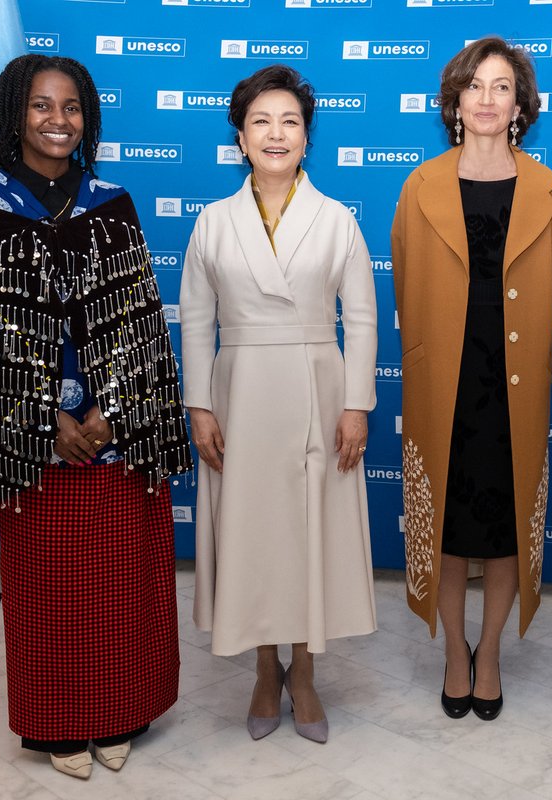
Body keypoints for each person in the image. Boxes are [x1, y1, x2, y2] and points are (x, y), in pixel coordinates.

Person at [0, 54, 192, 779]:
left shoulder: (110, 200)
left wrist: (115, 415)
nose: (58, 121)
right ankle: (59, 724)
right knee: (49, 589)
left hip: (114, 437)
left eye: (73, 108)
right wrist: (46, 421)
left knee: (118, 583)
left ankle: (118, 712)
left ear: (88, 116)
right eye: (41, 107)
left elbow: (138, 324)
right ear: (14, 113)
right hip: (35, 442)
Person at [180, 64, 378, 745]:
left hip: (318, 388)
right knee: (254, 532)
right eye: (262, 121)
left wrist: (357, 405)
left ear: (306, 137)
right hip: (241, 393)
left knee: (310, 530)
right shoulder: (212, 223)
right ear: (240, 136)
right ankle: (264, 669)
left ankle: (306, 671)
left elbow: (363, 317)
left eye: (290, 121)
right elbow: (198, 320)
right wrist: (199, 406)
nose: (276, 133)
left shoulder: (336, 218)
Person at [392, 36, 552, 721]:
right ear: (455, 101)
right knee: (444, 525)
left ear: (520, 103)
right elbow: (408, 285)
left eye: (503, 86)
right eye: (476, 86)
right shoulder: (422, 185)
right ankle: (453, 653)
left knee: (503, 530)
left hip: (513, 385)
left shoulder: (548, 188)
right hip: (446, 386)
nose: (489, 99)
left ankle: (489, 652)